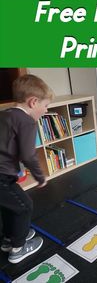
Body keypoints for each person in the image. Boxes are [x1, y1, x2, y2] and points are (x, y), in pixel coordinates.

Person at [0, 74, 53, 264]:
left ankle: (9, 239)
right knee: (24, 206)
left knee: (9, 206)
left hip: (5, 172)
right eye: (45, 106)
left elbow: (7, 145)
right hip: (1, 176)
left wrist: (16, 168)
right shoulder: (27, 121)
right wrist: (40, 177)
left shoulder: (5, 113)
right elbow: (28, 155)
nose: (46, 111)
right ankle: (18, 249)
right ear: (33, 102)